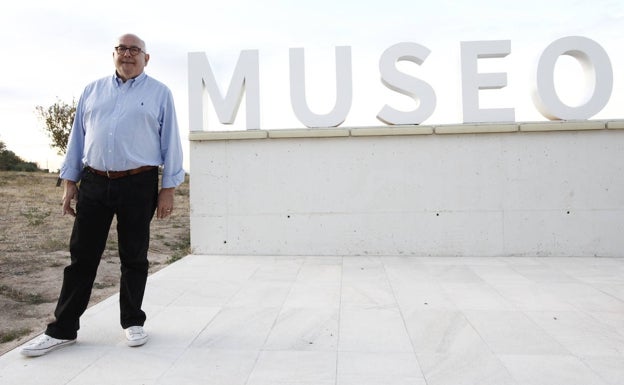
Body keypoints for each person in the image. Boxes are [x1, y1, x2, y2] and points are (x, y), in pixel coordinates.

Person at [20, 33, 185, 357]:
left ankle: (132, 321)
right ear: (113, 54)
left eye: (134, 50)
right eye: (122, 49)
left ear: (146, 58)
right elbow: (77, 141)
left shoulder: (160, 93)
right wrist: (70, 183)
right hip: (94, 181)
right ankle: (63, 329)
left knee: (134, 255)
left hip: (139, 182)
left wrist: (168, 189)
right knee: (81, 256)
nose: (128, 54)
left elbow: (171, 143)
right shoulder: (92, 91)